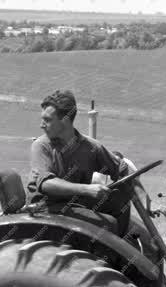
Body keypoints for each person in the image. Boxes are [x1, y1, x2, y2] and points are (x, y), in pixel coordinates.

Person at [27, 90, 134, 235]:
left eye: (47, 120)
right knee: (107, 224)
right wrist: (86, 189)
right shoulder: (41, 146)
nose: (42, 125)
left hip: (75, 203)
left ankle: (119, 252)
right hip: (45, 207)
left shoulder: (90, 147)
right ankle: (103, 255)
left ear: (65, 120)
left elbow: (121, 168)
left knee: (121, 203)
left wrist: (143, 198)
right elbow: (46, 183)